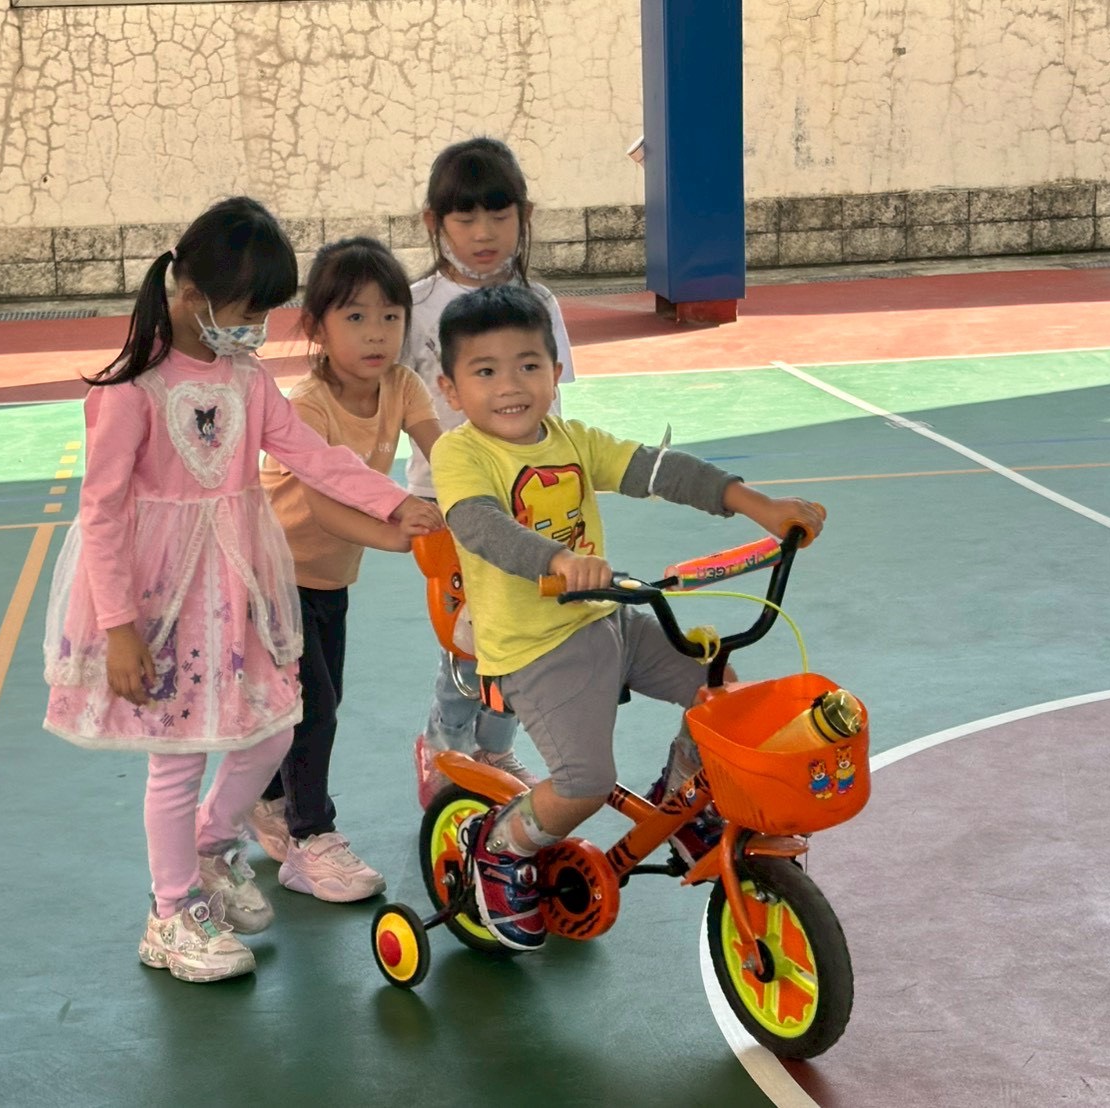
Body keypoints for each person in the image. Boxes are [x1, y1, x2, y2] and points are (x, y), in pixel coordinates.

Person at [42, 198, 437, 983]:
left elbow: (312, 455)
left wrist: (394, 501)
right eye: (248, 311)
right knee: (177, 758)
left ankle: (212, 845)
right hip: (158, 605)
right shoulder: (131, 391)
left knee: (273, 727)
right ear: (192, 294)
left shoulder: (246, 379)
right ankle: (170, 913)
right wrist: (119, 626)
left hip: (236, 590)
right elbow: (103, 512)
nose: (256, 328)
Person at [429, 285, 827, 951]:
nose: (510, 385)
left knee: (719, 693)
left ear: (556, 372)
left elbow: (656, 470)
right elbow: (480, 527)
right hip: (535, 649)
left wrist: (757, 505)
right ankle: (499, 849)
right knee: (584, 784)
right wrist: (556, 560)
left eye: (528, 365)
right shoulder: (461, 453)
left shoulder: (571, 439)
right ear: (449, 388)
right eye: (485, 371)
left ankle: (683, 803)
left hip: (606, 620)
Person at [246, 238, 443, 901]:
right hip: (275, 576)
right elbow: (325, 509)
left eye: (390, 316)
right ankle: (311, 839)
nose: (376, 333)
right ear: (317, 326)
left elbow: (445, 451)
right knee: (315, 708)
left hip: (330, 579)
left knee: (312, 702)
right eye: (355, 316)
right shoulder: (307, 405)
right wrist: (398, 534)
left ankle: (268, 799)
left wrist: (483, 496)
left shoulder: (402, 386)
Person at [403, 136, 575, 807]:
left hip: (531, 505)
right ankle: (443, 747)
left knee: (525, 634)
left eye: (499, 216)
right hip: (447, 506)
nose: (483, 233)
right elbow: (388, 400)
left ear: (523, 216)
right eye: (465, 217)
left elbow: (555, 409)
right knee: (468, 641)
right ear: (434, 222)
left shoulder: (539, 302)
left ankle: (495, 750)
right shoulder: (415, 306)